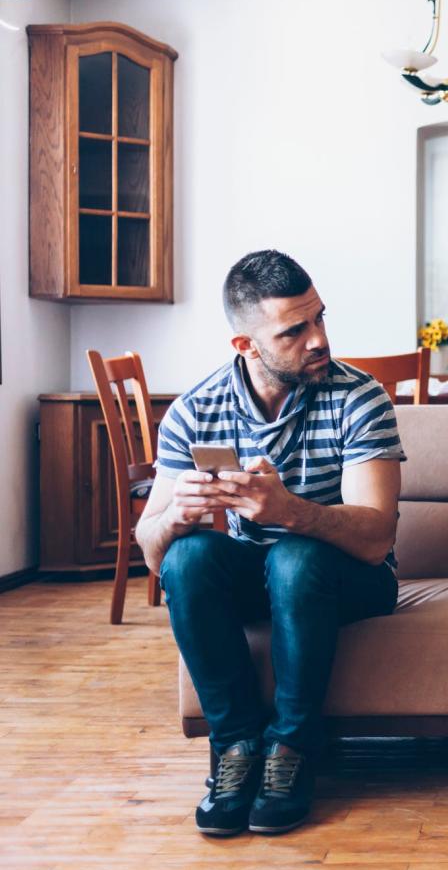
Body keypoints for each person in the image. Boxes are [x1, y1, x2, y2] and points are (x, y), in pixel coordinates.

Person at [135, 250, 405, 836]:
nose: (318, 340)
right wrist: (174, 517)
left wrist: (289, 511)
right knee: (190, 556)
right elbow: (153, 556)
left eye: (319, 319)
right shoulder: (194, 411)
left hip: (349, 578)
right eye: (294, 330)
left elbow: (377, 536)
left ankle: (292, 749)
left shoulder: (360, 397)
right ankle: (235, 749)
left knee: (295, 555)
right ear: (245, 346)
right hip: (257, 576)